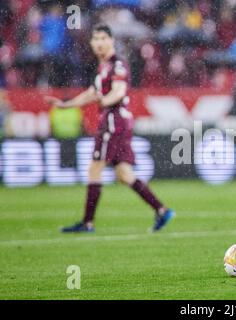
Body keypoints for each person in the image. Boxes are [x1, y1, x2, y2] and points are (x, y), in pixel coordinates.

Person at [45, 24, 174, 233]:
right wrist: (65, 104)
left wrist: (104, 100)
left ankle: (87, 223)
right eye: (95, 39)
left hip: (114, 122)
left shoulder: (117, 64)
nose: (99, 43)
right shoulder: (103, 67)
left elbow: (119, 91)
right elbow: (90, 93)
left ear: (111, 40)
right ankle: (161, 210)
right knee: (123, 173)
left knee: (94, 168)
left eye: (103, 38)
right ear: (91, 43)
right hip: (118, 122)